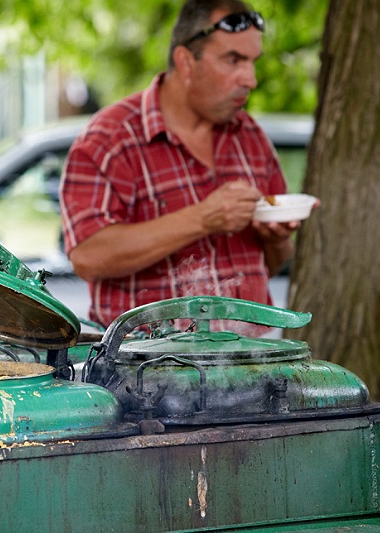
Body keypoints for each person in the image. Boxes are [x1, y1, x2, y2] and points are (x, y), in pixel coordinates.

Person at [59, 0, 303, 333]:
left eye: (252, 62)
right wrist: (203, 218)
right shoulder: (110, 140)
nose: (250, 79)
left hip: (253, 356)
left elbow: (271, 265)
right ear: (186, 62)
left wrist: (275, 239)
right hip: (146, 360)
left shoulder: (251, 137)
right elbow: (87, 257)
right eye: (233, 60)